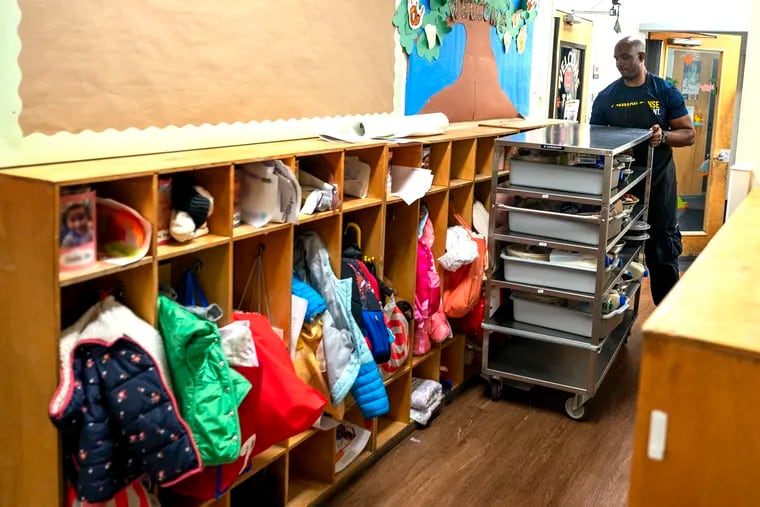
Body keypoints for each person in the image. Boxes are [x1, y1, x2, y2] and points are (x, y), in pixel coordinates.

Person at [590, 36, 695, 305]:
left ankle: (667, 319)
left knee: (662, 251)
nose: (620, 63)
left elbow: (688, 134)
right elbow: (594, 138)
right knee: (617, 251)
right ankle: (618, 311)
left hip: (659, 185)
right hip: (620, 189)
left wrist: (664, 137)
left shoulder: (664, 91)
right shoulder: (607, 98)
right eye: (616, 58)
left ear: (641, 57)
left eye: (625, 57)